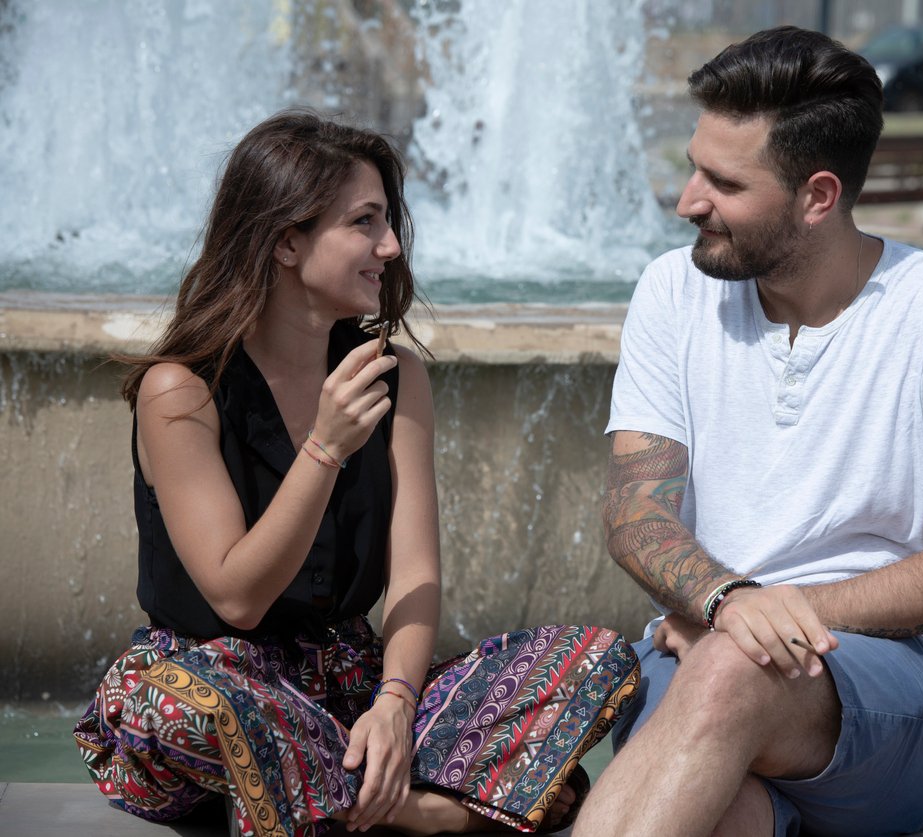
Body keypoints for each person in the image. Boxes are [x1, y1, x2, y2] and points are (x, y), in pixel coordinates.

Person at [73, 109, 639, 837]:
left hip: (354, 694)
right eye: (364, 222)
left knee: (592, 658)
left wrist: (398, 703)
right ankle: (424, 809)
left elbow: (413, 576)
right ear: (285, 240)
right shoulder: (181, 391)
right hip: (221, 686)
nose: (391, 246)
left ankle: (332, 793)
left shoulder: (394, 375)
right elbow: (237, 596)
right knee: (190, 705)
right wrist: (326, 447)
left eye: (388, 221)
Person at [574, 26, 923, 837]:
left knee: (730, 668)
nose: (687, 200)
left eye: (723, 182)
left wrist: (765, 616)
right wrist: (726, 599)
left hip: (896, 696)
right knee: (724, 811)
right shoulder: (670, 290)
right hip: (702, 644)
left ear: (817, 196)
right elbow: (634, 513)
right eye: (694, 166)